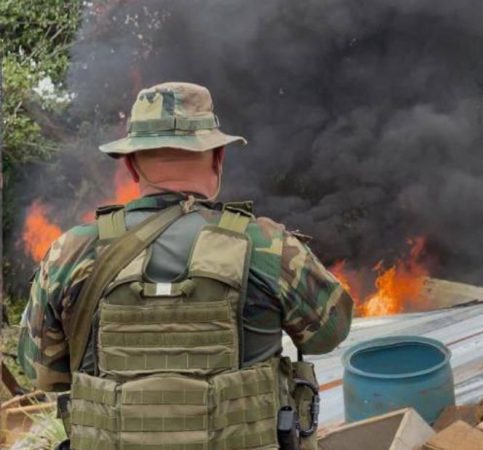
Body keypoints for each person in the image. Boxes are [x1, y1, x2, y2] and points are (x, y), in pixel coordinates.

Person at [18, 82, 353, 450]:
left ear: (131, 164)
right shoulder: (268, 246)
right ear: (218, 157)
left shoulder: (72, 251)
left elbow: (43, 374)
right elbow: (330, 333)